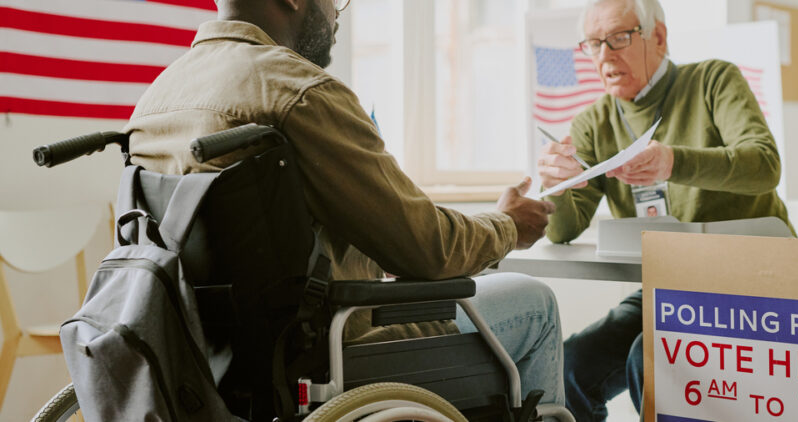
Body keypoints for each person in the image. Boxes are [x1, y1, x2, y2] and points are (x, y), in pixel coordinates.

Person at [122, 0, 564, 415]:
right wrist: (508, 225)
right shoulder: (297, 90)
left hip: (206, 358)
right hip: (331, 351)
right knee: (534, 300)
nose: (337, 13)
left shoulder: (156, 100)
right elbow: (431, 248)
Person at [535, 0, 792, 419]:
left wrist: (674, 161)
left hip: (754, 280)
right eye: (594, 44)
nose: (605, 55)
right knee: (570, 366)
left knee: (652, 358)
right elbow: (563, 231)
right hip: (672, 286)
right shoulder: (593, 123)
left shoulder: (713, 79)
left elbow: (764, 166)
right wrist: (557, 184)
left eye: (619, 38)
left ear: (658, 37)